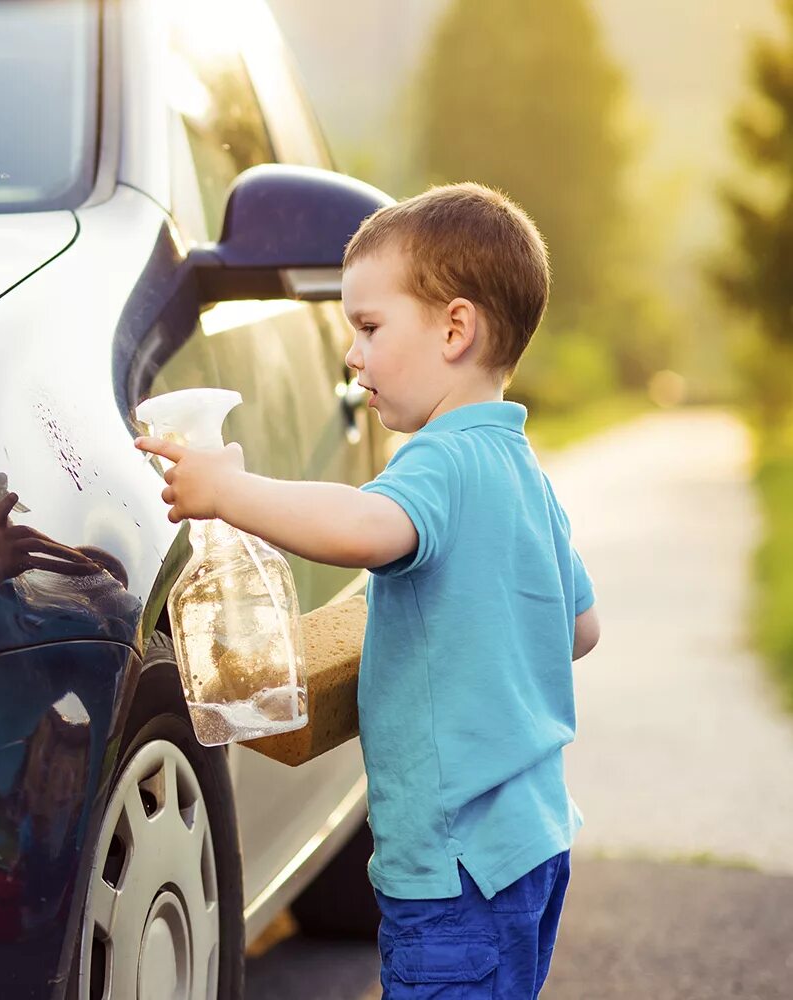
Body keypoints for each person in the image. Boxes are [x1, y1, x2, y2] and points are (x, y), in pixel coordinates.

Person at [136, 183, 602, 999]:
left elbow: (361, 527)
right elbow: (581, 627)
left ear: (456, 329)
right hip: (531, 844)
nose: (351, 356)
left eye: (369, 327)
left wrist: (227, 493)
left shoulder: (438, 462)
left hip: (453, 866)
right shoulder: (523, 470)